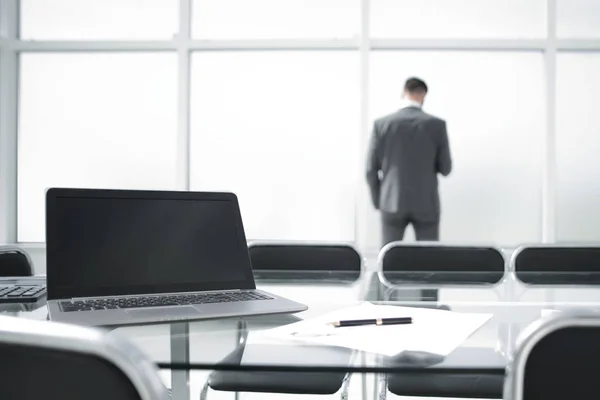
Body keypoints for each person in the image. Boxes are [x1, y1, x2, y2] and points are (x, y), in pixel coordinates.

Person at [366, 77, 452, 246]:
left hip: (391, 201)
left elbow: (370, 169)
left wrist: (379, 201)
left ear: (403, 93)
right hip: (426, 203)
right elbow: (446, 168)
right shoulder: (437, 125)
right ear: (424, 95)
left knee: (388, 258)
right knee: (429, 261)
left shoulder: (382, 124)